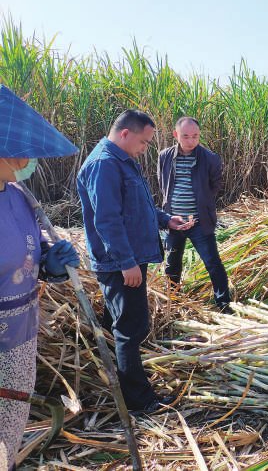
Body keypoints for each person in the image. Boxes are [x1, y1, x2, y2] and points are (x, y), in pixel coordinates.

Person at [77, 109, 192, 414]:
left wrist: (167, 220)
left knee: (120, 321)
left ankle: (111, 376)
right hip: (120, 262)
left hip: (128, 257)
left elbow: (137, 208)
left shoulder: (123, 161)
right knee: (131, 327)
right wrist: (126, 262)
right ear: (125, 134)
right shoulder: (104, 164)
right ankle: (139, 401)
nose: (145, 148)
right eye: (144, 142)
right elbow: (107, 220)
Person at [0, 85, 80, 470]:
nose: (28, 158)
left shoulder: (19, 197)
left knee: (9, 429)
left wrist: (50, 264)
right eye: (20, 148)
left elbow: (25, 257)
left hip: (21, 338)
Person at [158, 117, 231, 311]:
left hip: (199, 222)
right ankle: (173, 303)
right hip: (173, 222)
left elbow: (215, 186)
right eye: (185, 136)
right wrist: (170, 218)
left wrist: (200, 207)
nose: (191, 140)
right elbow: (163, 184)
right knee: (172, 265)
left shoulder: (210, 158)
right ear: (176, 135)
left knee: (213, 263)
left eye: (195, 136)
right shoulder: (164, 156)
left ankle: (223, 304)